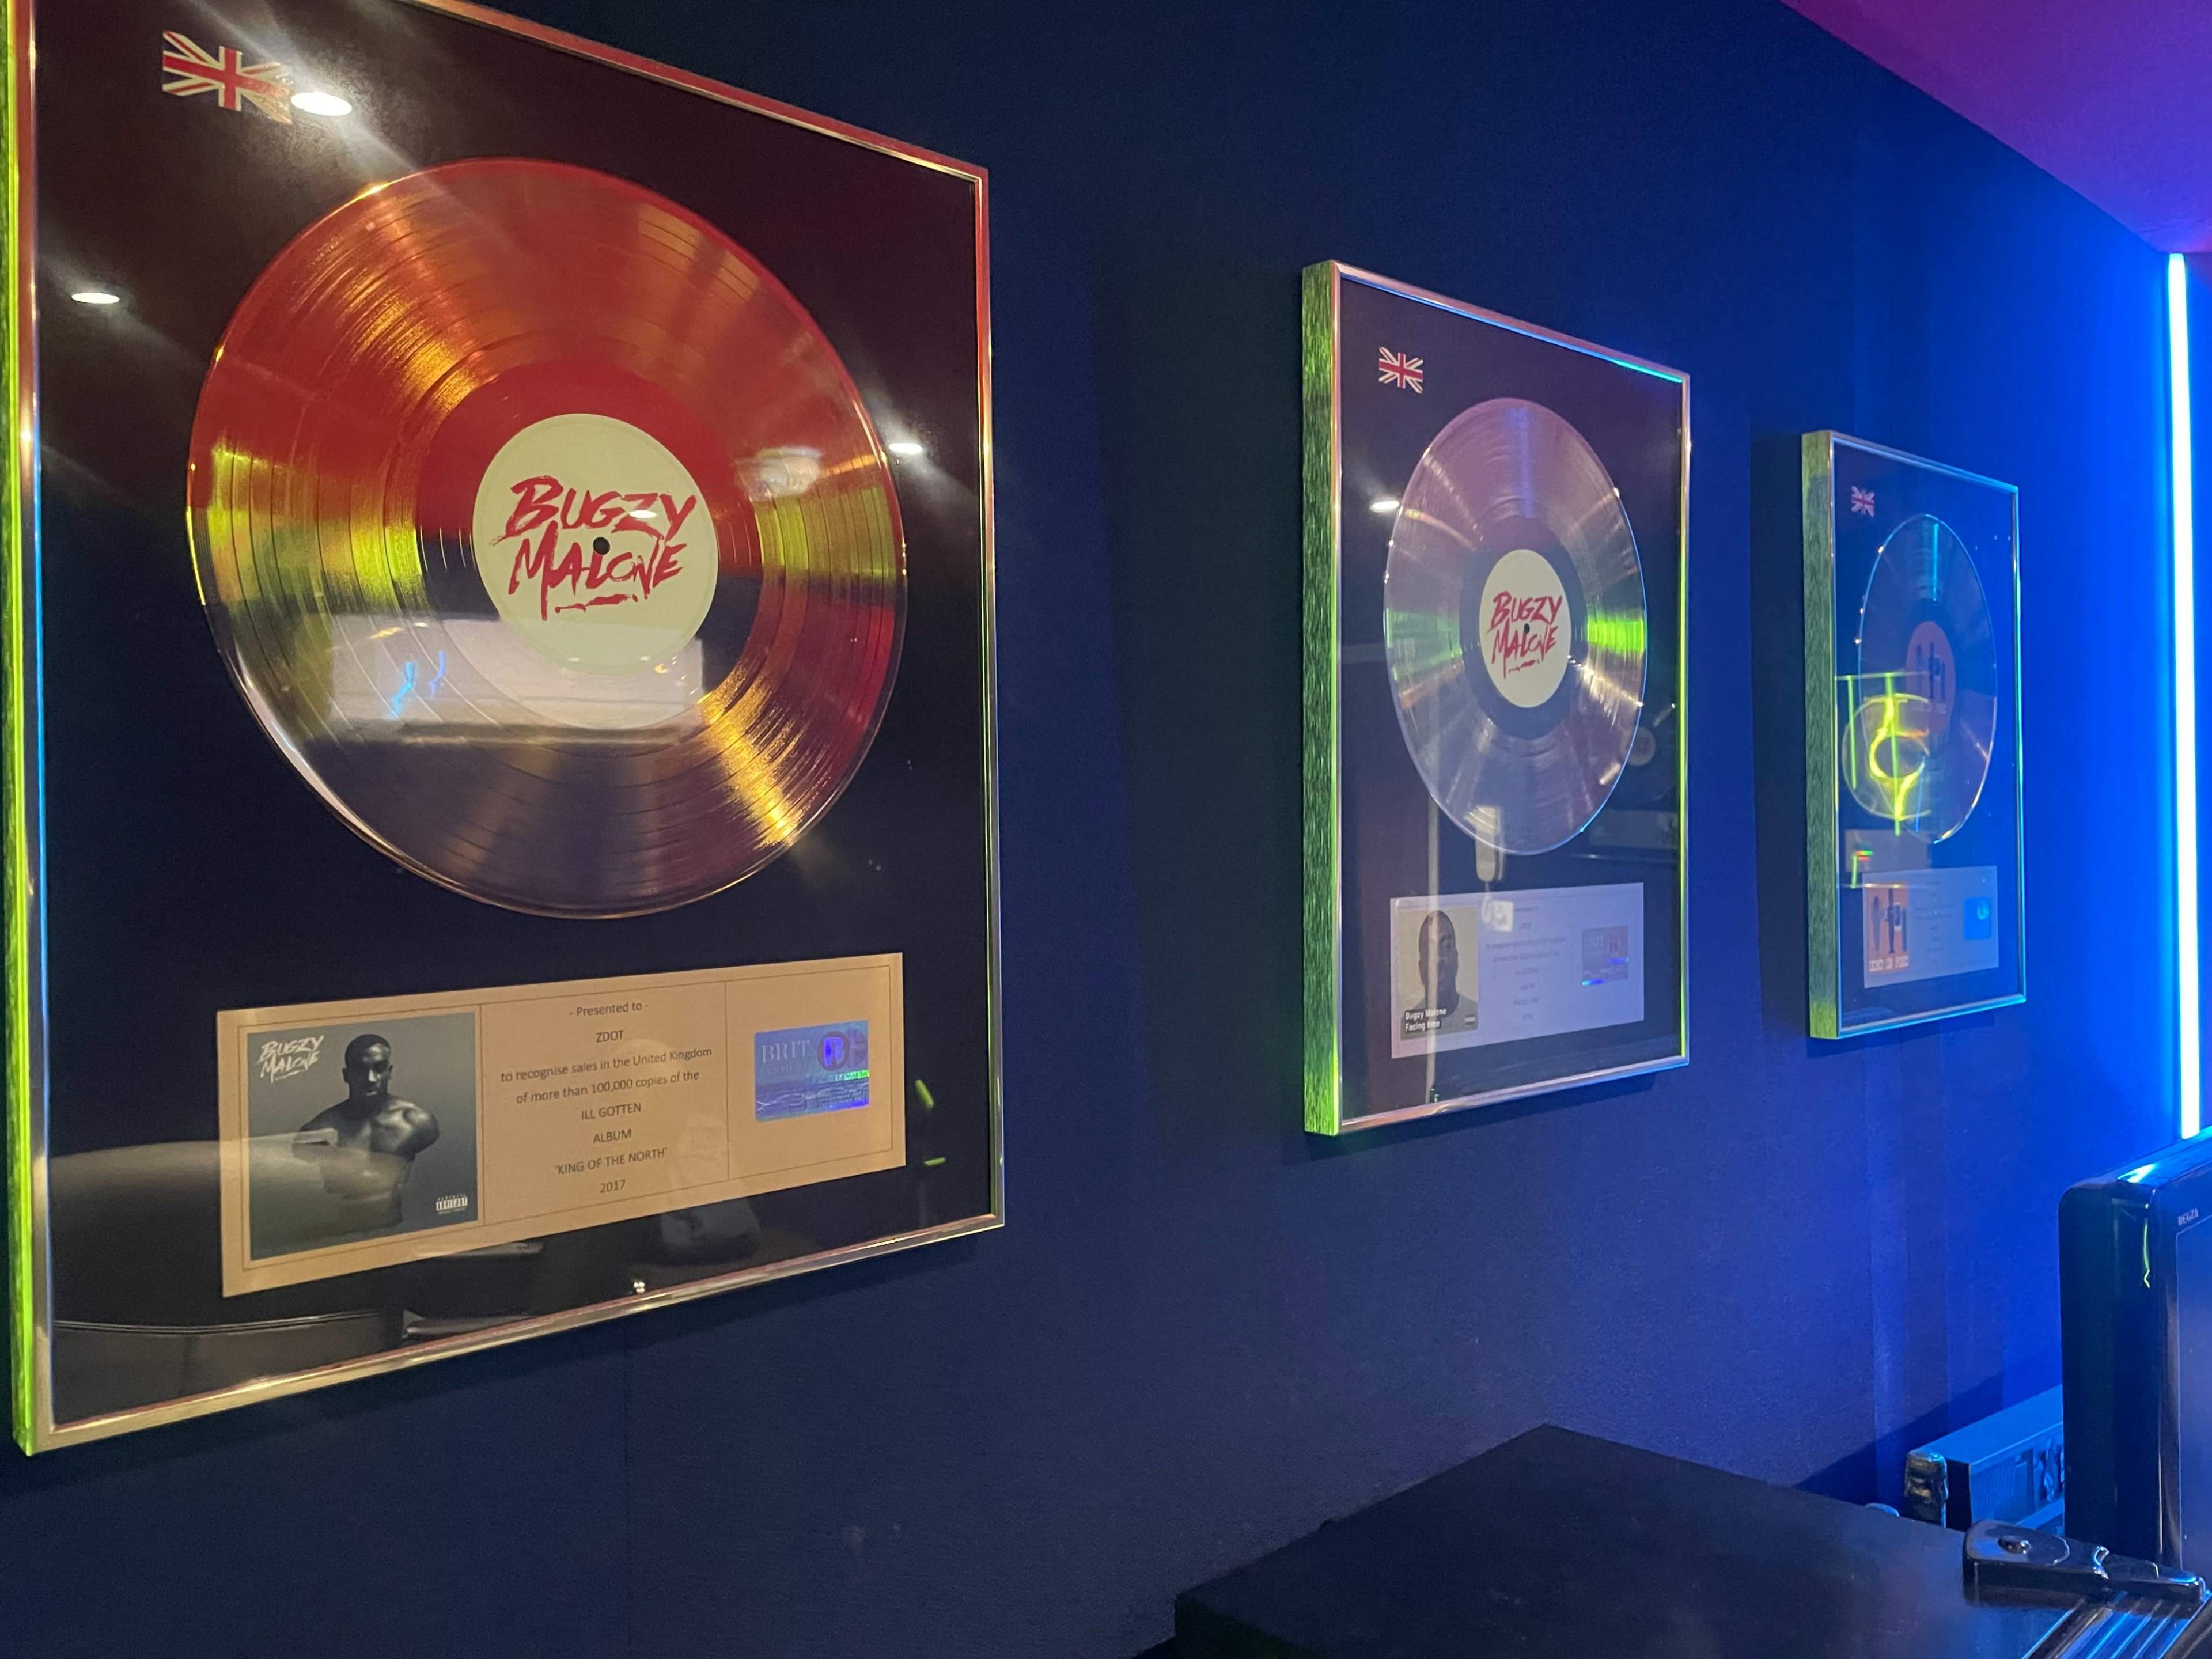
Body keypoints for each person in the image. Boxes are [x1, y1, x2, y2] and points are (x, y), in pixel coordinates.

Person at [291, 1034, 440, 1233]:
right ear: (346, 1075)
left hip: (396, 1231)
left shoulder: (418, 1122)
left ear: (389, 1071)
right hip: (339, 1238)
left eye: (379, 1069)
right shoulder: (319, 1131)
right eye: (360, 1070)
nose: (371, 1079)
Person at [1402, 909, 1479, 1041]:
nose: (1438, 958)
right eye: (1430, 950)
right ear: (1421, 969)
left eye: (1446, 946)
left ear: (1456, 960)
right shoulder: (1404, 1030)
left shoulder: (1479, 1015)